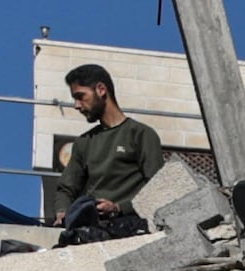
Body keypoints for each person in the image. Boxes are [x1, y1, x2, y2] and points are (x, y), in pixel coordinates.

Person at [43, 65, 165, 241]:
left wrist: (118, 208)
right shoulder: (84, 142)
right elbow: (66, 188)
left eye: (80, 96)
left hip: (133, 230)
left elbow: (158, 189)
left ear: (101, 90)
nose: (77, 105)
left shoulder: (140, 135)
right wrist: (63, 212)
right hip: (93, 232)